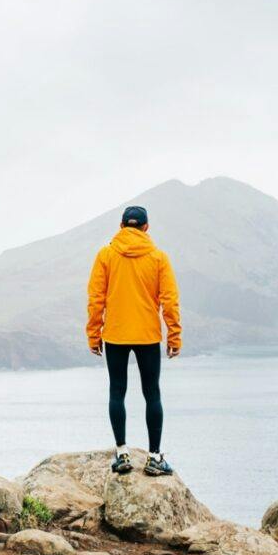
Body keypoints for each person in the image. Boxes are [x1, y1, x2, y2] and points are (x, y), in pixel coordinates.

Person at [85, 204, 182, 476]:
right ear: (146, 227)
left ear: (121, 226)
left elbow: (95, 300)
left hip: (115, 334)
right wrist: (173, 334)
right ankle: (154, 458)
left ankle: (122, 453)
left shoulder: (105, 255)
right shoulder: (158, 258)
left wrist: (94, 334)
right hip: (147, 335)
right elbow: (170, 301)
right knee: (152, 393)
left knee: (117, 391)